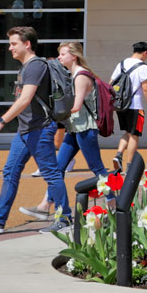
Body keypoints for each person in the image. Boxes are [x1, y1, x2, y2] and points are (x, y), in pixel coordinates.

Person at [0, 26, 69, 235]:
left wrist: (0, 122)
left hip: (39, 129)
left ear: (27, 44)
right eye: (10, 44)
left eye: (14, 44)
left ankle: (65, 218)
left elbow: (25, 99)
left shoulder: (35, 66)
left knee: (51, 174)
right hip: (25, 131)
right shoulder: (25, 67)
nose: (9, 48)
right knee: (10, 172)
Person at [28, 41, 109, 220]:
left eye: (63, 54)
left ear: (74, 56)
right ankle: (44, 205)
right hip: (74, 128)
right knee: (58, 168)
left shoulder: (80, 76)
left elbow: (76, 105)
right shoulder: (73, 75)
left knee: (97, 168)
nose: (59, 57)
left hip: (85, 129)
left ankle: (114, 203)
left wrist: (53, 112)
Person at [111, 41, 147, 164]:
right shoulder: (143, 67)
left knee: (128, 132)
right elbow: (146, 88)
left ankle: (119, 154)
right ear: (145, 52)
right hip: (135, 105)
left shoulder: (121, 64)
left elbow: (111, 83)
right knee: (134, 135)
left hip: (121, 105)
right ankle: (130, 165)